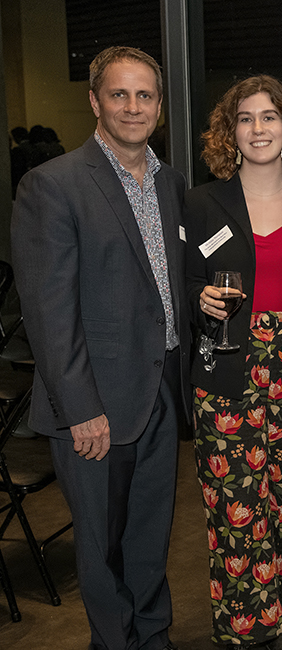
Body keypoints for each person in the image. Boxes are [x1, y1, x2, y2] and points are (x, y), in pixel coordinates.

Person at [10, 46, 188, 650]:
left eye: (145, 96)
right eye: (120, 94)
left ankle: (153, 637)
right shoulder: (52, 186)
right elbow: (48, 312)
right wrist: (80, 406)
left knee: (148, 533)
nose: (133, 107)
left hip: (161, 388)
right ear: (94, 101)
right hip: (96, 404)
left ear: (159, 107)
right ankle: (113, 643)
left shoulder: (169, 181)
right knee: (101, 543)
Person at [185, 75, 282, 650]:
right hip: (226, 370)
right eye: (245, 118)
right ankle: (252, 630)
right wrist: (200, 298)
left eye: (269, 117)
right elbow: (184, 280)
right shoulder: (200, 202)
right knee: (237, 505)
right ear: (230, 132)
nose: (258, 128)